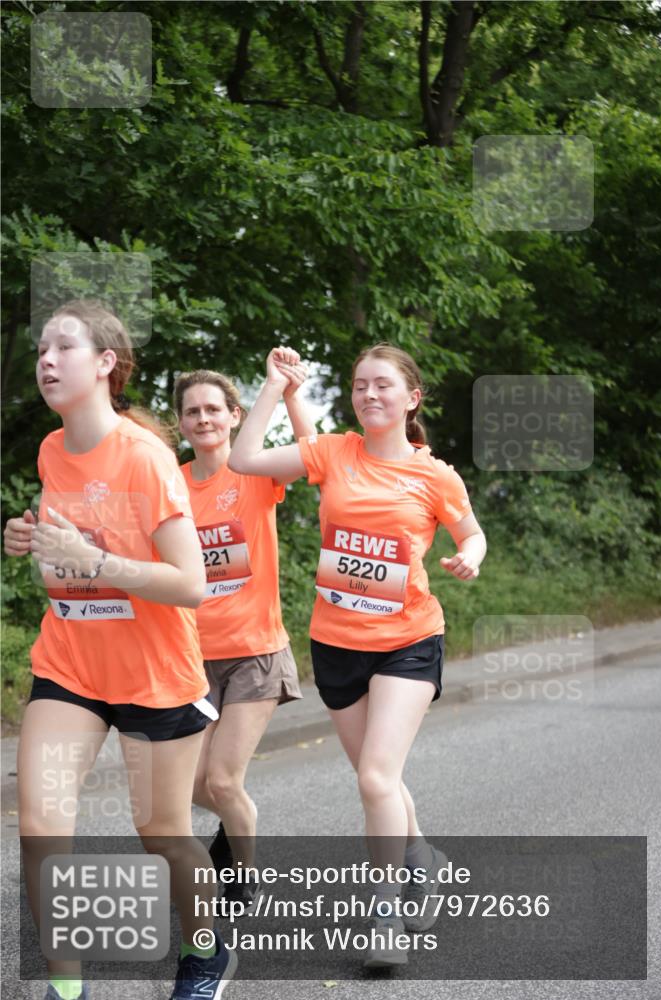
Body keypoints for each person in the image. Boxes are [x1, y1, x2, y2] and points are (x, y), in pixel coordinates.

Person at [3, 299, 235, 1000]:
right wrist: (30, 541)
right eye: (41, 349)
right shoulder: (51, 449)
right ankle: (65, 988)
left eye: (63, 347)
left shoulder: (145, 458)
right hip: (70, 664)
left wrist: (90, 559)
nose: (46, 360)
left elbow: (191, 585)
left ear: (105, 363)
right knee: (41, 825)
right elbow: (69, 549)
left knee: (162, 834)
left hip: (153, 675)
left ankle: (206, 951)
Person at [228, 342, 486, 968]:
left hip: (408, 641)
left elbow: (470, 531)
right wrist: (273, 387)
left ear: (411, 398)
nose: (370, 395)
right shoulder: (332, 452)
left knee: (375, 776)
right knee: (382, 780)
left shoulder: (434, 474)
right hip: (337, 644)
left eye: (383, 386)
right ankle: (424, 858)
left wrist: (471, 556)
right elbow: (243, 458)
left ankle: (385, 915)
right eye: (360, 385)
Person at [173, 352, 312, 908]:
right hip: (189, 657)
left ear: (233, 415)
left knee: (223, 782)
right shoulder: (172, 482)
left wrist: (285, 392)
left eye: (213, 409)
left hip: (255, 652)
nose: (203, 418)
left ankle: (243, 874)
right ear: (181, 423)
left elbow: (312, 456)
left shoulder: (254, 470)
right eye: (191, 412)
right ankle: (235, 831)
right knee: (191, 785)